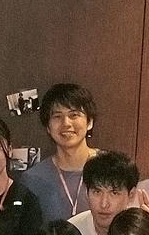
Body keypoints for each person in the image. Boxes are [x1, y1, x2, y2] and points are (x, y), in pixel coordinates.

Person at [23, 83, 100, 224]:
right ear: (48, 127)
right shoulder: (33, 179)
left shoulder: (111, 168)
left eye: (74, 115)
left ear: (89, 122)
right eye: (57, 116)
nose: (66, 123)